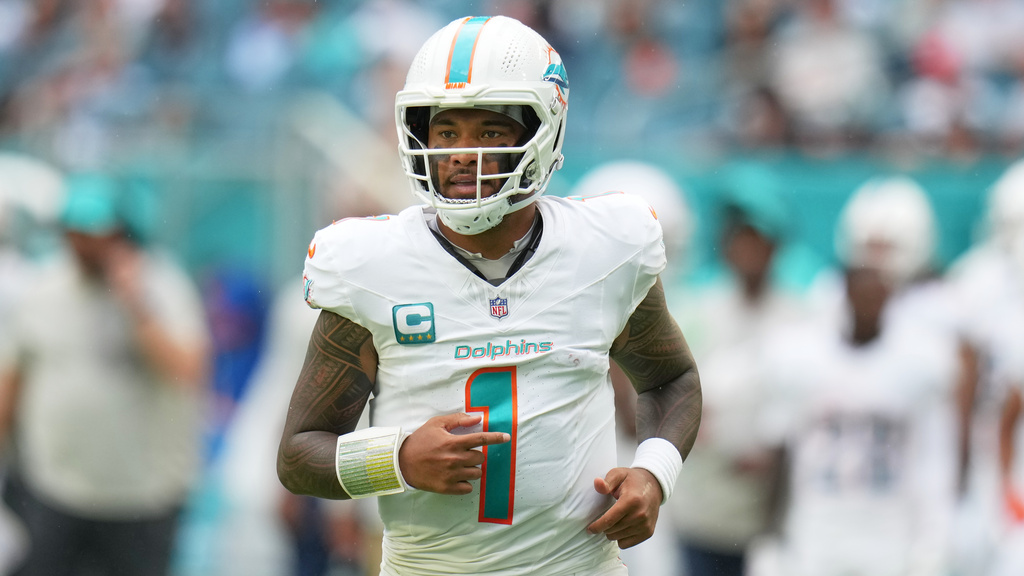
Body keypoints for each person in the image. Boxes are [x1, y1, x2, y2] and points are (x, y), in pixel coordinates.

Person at [276, 15, 702, 576]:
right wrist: (397, 459)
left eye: (489, 132)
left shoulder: (603, 250)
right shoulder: (372, 265)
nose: (460, 153)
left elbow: (672, 380)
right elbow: (299, 455)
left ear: (541, 132)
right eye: (446, 132)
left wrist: (653, 472)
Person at [0, 172, 211, 576]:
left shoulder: (164, 286)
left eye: (93, 233)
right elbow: (12, 382)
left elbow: (190, 370)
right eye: (74, 232)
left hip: (142, 502)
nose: (81, 244)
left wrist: (137, 305)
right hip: (54, 492)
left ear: (122, 232)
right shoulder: (43, 289)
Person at [665, 165, 807, 576]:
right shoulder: (696, 311)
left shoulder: (799, 317)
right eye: (741, 240)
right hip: (704, 506)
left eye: (759, 241)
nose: (750, 251)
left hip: (770, 512)